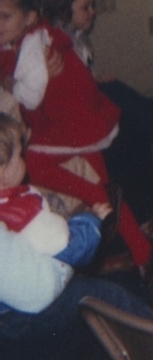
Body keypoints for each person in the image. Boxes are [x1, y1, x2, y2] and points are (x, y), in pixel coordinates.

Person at [0, 0, 152, 271]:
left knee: (34, 164)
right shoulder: (26, 39)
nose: (0, 24)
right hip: (78, 122)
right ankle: (140, 250)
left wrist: (10, 83)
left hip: (71, 125)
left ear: (30, 17)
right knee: (102, 183)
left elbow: (30, 98)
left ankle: (109, 227)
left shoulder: (34, 43)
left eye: (6, 17)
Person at [42, 0, 153, 224]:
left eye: (92, 5)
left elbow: (80, 78)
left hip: (83, 106)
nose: (92, 12)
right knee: (117, 105)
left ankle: (147, 214)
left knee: (115, 92)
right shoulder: (51, 42)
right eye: (85, 7)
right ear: (65, 11)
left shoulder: (78, 39)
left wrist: (94, 80)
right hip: (70, 119)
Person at [0, 221, 152, 360]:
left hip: (16, 312)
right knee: (108, 297)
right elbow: (39, 287)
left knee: (100, 315)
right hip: (26, 306)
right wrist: (89, 223)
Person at [0, 112, 111, 268]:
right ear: (3, 173)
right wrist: (92, 220)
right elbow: (71, 249)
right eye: (19, 154)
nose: (23, 157)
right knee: (115, 293)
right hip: (57, 272)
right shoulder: (23, 213)